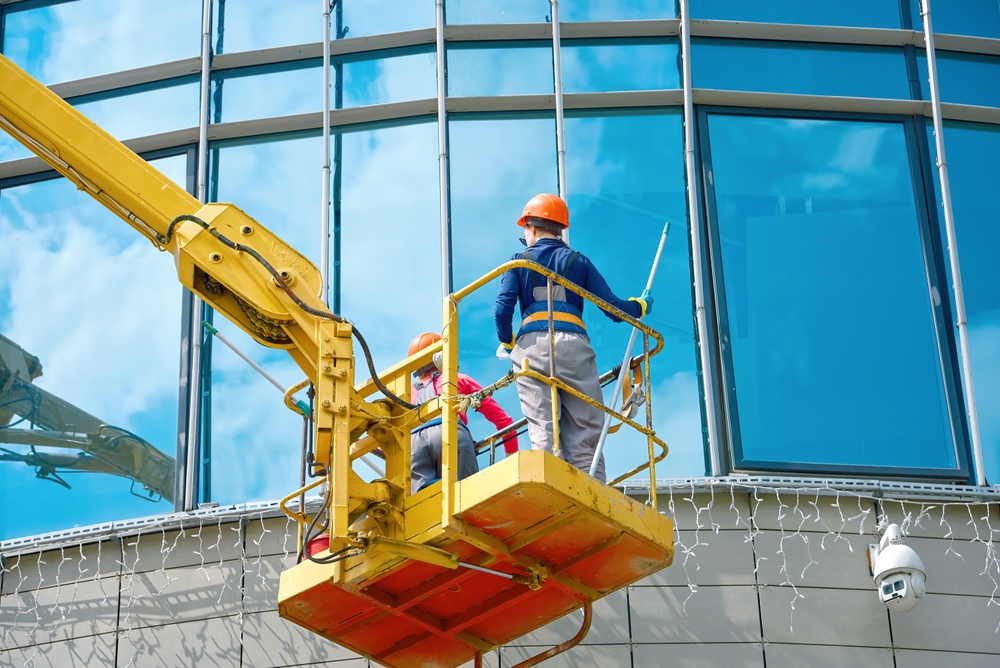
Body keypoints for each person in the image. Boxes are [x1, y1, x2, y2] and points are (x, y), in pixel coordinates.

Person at [493, 193, 651, 483]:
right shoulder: (579, 262)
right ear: (560, 229)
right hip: (574, 346)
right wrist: (640, 306)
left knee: (543, 431)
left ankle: (548, 491)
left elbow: (502, 310)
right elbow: (614, 309)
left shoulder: (518, 261)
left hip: (531, 350)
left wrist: (507, 342)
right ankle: (592, 495)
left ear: (531, 226)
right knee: (585, 437)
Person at [407, 332, 519, 492]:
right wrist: (511, 456)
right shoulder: (458, 379)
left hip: (413, 444)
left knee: (421, 501)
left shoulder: (405, 393)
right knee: (463, 494)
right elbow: (503, 421)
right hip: (450, 432)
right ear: (442, 356)